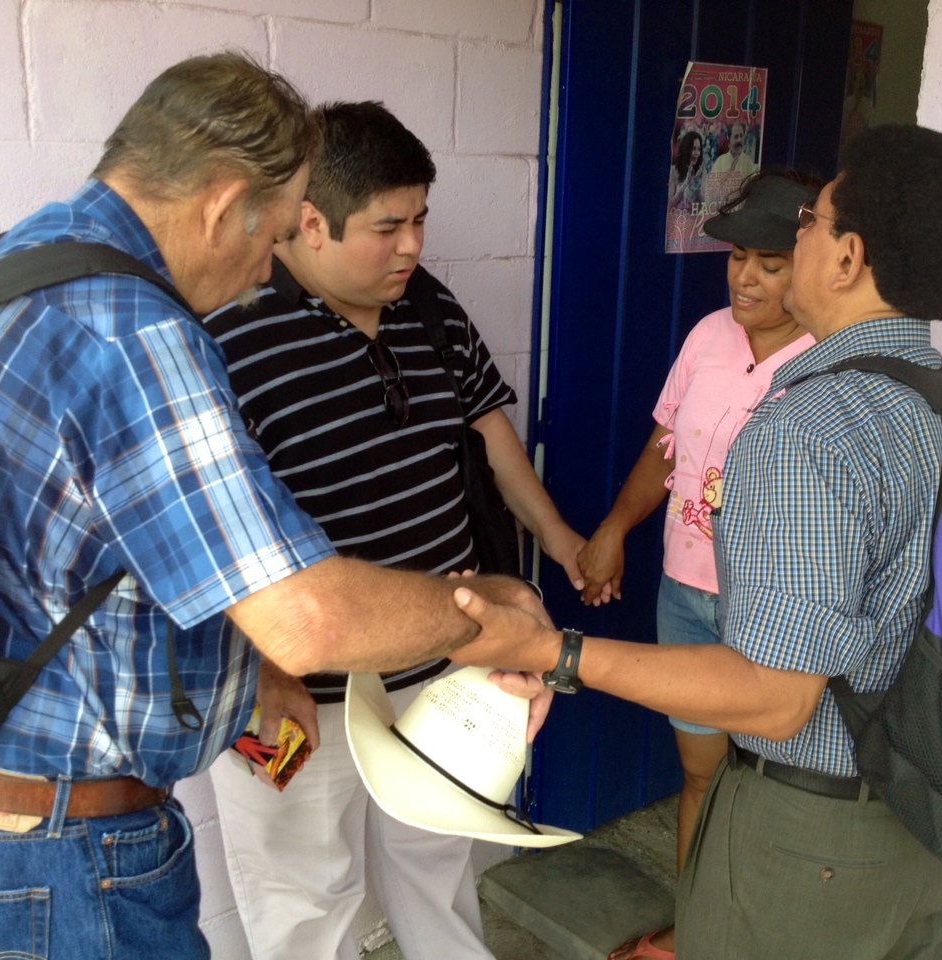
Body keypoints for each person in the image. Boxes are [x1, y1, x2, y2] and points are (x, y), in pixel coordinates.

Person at [0, 54, 545, 960]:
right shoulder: (137, 332)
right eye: (273, 236)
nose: (269, 271)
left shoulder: (25, 256)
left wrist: (246, 668)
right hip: (65, 843)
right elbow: (309, 618)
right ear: (224, 205)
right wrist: (488, 614)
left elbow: (95, 542)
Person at [449, 123, 942, 960]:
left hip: (814, 838)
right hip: (932, 821)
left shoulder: (810, 428)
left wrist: (554, 652)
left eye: (810, 225)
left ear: (848, 257)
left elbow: (775, 698)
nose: (795, 241)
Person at [203, 100, 585, 960]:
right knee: (306, 903)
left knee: (439, 865)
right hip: (296, 691)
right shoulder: (227, 332)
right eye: (388, 226)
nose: (412, 244)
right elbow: (206, 531)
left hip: (438, 667)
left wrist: (558, 537)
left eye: (420, 218)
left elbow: (490, 437)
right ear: (310, 222)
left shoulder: (430, 307)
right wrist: (262, 667)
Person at [578, 170, 820, 960]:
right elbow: (665, 446)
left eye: (772, 263)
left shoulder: (831, 367)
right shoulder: (707, 337)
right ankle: (696, 932)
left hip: (772, 616)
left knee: (780, 794)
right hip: (687, 595)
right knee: (703, 779)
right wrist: (615, 525)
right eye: (738, 257)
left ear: (814, 264)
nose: (746, 276)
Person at [667, 130, 705, 212]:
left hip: (694, 221)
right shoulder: (674, 170)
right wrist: (685, 184)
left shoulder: (702, 172)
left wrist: (696, 183)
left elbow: (702, 205)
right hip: (678, 220)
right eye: (694, 149)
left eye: (699, 149)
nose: (697, 153)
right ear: (686, 149)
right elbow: (669, 204)